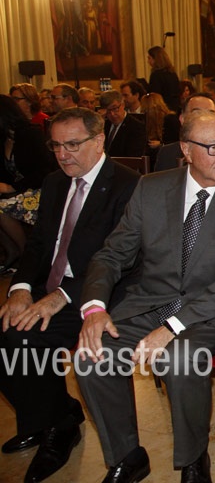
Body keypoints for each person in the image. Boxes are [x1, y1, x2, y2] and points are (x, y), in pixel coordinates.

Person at [75, 113, 215, 483]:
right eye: (213, 148)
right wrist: (95, 308)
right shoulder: (151, 188)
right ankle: (127, 457)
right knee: (90, 356)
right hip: (152, 301)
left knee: (179, 358)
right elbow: (112, 254)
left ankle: (194, 459)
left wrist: (171, 328)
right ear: (186, 150)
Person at [0, 108, 139, 483]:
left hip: (98, 294)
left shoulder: (128, 186)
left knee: (24, 339)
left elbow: (124, 260)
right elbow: (39, 245)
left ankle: (57, 428)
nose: (63, 154)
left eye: (73, 144)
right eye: (56, 145)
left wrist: (62, 295)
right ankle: (56, 412)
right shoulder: (55, 182)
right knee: (7, 328)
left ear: (99, 140)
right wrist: (20, 289)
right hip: (50, 284)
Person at [0, 95, 56, 271]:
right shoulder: (4, 139)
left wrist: (12, 187)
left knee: (0, 208)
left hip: (40, 189)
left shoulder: (31, 134)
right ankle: (12, 252)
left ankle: (27, 255)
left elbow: (45, 171)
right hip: (18, 191)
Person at [100, 90, 148, 158]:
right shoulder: (103, 125)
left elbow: (133, 157)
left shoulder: (136, 127)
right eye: (108, 111)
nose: (112, 114)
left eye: (115, 109)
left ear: (123, 105)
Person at [146, 46, 181, 112]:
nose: (148, 61)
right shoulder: (172, 73)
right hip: (175, 107)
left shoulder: (156, 75)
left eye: (149, 58)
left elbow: (155, 94)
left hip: (163, 109)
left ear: (156, 59)